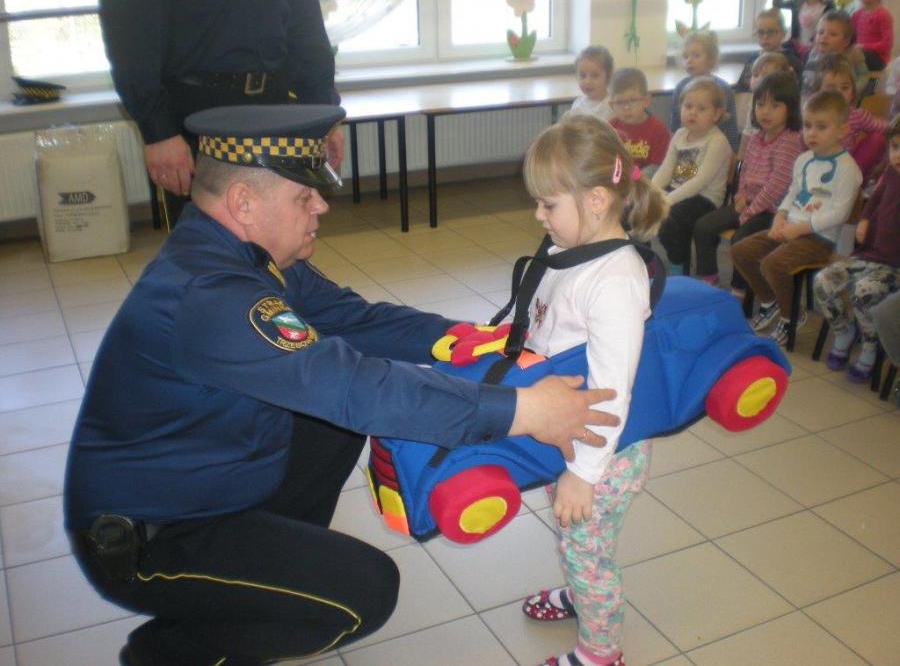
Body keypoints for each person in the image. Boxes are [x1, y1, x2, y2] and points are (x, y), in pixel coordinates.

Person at [63, 104, 620, 666]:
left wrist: (454, 337)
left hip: (207, 478)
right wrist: (523, 410)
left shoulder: (237, 251)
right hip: (152, 535)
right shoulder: (212, 296)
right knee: (364, 592)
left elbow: (352, 318)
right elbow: (355, 387)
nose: (321, 205)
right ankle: (165, 654)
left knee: (331, 428)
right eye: (303, 196)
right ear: (243, 203)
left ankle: (259, 586)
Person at [509, 114, 667, 666]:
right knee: (576, 539)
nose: (539, 215)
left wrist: (582, 473)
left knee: (587, 551)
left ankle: (601, 652)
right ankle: (581, 596)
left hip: (602, 450)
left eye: (548, 204)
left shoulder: (615, 281)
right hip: (570, 431)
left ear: (596, 201)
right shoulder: (572, 251)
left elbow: (610, 391)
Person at [98, 0, 344, 229]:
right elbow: (130, 40)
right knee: (206, 238)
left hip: (274, 106)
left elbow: (307, 32)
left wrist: (324, 118)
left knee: (281, 233)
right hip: (197, 114)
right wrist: (159, 133)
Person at [732, 90, 863, 346]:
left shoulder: (848, 169)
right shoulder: (803, 159)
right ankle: (770, 301)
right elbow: (792, 193)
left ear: (843, 130)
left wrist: (800, 228)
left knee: (773, 264)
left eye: (821, 127)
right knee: (741, 250)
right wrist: (780, 217)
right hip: (790, 229)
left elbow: (840, 213)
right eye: (808, 126)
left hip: (819, 239)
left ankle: (790, 315)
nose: (811, 133)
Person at [694, 72, 806, 290]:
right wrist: (741, 195)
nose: (765, 111)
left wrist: (750, 210)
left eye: (775, 105)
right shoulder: (756, 136)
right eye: (760, 104)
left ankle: (740, 290)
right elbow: (744, 169)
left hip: (773, 211)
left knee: (741, 242)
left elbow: (776, 186)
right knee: (703, 227)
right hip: (748, 202)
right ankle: (709, 279)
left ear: (790, 108)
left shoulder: (790, 141)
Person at [813, 114, 900, 381]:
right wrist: (864, 219)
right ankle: (844, 331)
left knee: (864, 292)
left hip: (895, 267)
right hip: (870, 255)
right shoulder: (891, 172)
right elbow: (874, 200)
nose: (898, 154)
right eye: (895, 147)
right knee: (823, 281)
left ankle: (871, 347)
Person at [654, 77, 733, 274]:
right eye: (688, 106)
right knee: (640, 209)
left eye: (701, 108)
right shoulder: (680, 135)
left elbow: (700, 181)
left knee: (669, 220)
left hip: (704, 198)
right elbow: (666, 169)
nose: (692, 112)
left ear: (716, 114)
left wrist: (667, 200)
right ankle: (646, 259)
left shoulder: (717, 141)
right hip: (679, 191)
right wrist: (651, 192)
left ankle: (678, 264)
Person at [815, 52, 889, 181]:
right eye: (831, 88)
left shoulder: (856, 115)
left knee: (877, 139)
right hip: (817, 166)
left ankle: (857, 181)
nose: (839, 93)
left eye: (845, 88)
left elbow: (885, 127)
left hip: (847, 168)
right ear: (819, 92)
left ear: (852, 92)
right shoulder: (813, 114)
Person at [668, 30, 740, 151]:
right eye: (686, 56)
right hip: (687, 147)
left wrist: (732, 154)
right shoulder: (681, 87)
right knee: (683, 164)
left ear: (711, 59)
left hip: (714, 149)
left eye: (696, 55)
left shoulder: (723, 89)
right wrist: (672, 149)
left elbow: (730, 127)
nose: (689, 60)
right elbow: (674, 123)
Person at [608, 68, 671, 178]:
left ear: (646, 101)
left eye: (632, 100)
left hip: (645, 180)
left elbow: (657, 166)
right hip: (618, 177)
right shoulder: (610, 128)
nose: (626, 107)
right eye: (619, 102)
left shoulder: (658, 130)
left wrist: (633, 177)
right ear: (612, 105)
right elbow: (606, 158)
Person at [736, 51, 796, 162]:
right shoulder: (753, 100)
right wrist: (739, 159)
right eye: (755, 75)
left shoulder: (785, 102)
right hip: (756, 149)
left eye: (765, 76)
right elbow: (748, 131)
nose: (758, 79)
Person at [801, 10, 869, 99]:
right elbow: (807, 79)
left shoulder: (853, 54)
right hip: (815, 100)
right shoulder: (814, 54)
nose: (824, 36)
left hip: (844, 99)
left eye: (833, 34)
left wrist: (853, 89)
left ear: (846, 41)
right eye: (821, 32)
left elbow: (864, 75)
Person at [735, 8, 803, 93]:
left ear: (784, 33)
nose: (765, 36)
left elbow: (793, 93)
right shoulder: (753, 57)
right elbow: (741, 88)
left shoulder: (791, 61)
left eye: (771, 32)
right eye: (760, 32)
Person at [569, 46, 615, 121]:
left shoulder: (613, 108)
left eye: (595, 76)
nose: (588, 81)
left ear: (608, 77)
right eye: (583, 75)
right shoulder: (577, 104)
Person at [851, 0, 894, 71]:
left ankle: (866, 78)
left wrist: (864, 46)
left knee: (856, 55)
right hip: (859, 53)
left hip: (877, 58)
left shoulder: (883, 15)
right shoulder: (857, 14)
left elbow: (887, 44)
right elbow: (851, 35)